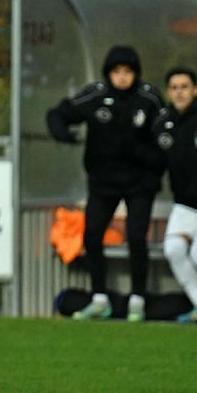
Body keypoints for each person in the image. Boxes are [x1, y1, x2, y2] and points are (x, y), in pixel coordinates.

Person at [46, 45, 164, 322]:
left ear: (135, 73)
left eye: (128, 72)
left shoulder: (149, 98)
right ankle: (99, 298)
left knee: (136, 237)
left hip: (139, 182)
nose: (122, 77)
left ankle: (137, 298)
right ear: (108, 73)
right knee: (92, 235)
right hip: (103, 181)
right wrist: (62, 133)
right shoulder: (96, 94)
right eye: (117, 72)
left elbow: (165, 138)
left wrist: (147, 161)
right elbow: (59, 113)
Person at [152, 67, 197, 323]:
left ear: (195, 90)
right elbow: (151, 159)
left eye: (184, 87)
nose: (179, 92)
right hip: (184, 204)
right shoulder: (162, 123)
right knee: (174, 250)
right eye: (174, 88)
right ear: (168, 91)